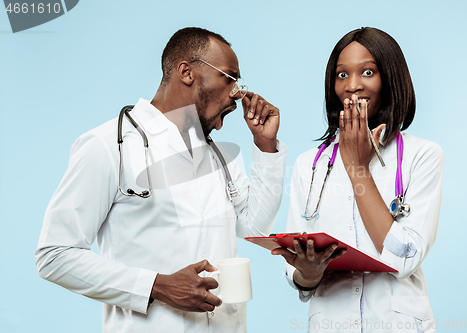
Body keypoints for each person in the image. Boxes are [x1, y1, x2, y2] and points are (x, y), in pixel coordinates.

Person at [35, 27, 286, 333]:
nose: (239, 94)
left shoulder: (218, 156)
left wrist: (265, 146)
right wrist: (157, 286)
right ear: (187, 72)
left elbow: (255, 228)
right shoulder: (108, 146)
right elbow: (55, 254)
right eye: (230, 78)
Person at [272, 27, 443, 332]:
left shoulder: (422, 156)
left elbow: (404, 260)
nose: (352, 86)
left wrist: (356, 166)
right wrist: (307, 274)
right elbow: (295, 270)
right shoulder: (308, 165)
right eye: (341, 75)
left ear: (390, 78)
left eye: (367, 72)